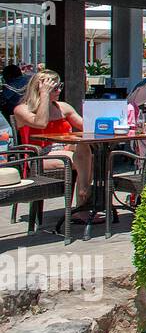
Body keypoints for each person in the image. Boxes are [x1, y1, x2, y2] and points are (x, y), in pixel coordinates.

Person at [11, 70, 93, 220]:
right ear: (40, 89)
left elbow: (87, 126)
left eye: (59, 86)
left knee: (85, 146)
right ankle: (84, 201)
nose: (59, 90)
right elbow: (41, 123)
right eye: (54, 88)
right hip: (38, 155)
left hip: (64, 150)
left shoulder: (63, 107)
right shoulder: (22, 109)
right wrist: (44, 96)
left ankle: (84, 196)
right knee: (81, 159)